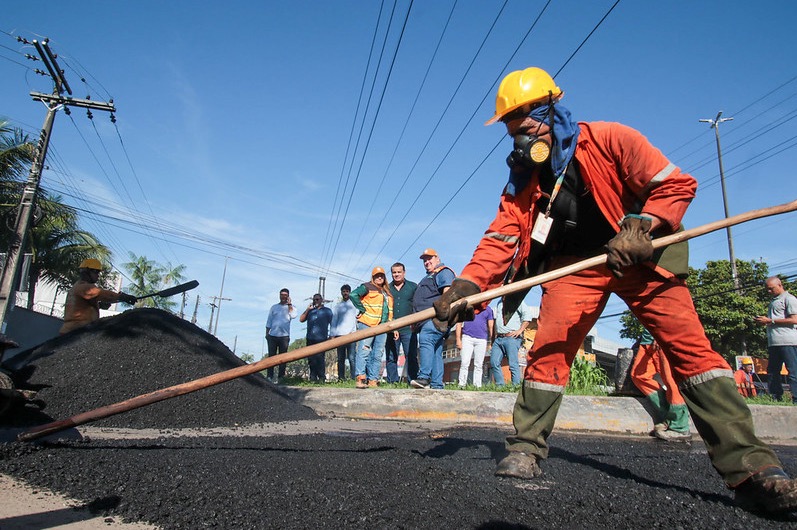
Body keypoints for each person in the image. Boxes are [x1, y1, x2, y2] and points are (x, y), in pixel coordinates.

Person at [432, 66, 797, 514]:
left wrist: (643, 224)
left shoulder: (611, 139)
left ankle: (754, 471)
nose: (521, 139)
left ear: (551, 110)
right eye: (513, 131)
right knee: (548, 352)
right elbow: (501, 238)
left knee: (692, 352)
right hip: (574, 268)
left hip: (641, 259)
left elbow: (675, 184)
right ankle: (525, 447)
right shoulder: (525, 178)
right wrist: (468, 284)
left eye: (527, 126)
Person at [631, 328, 690, 441]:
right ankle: (668, 417)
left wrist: (660, 335)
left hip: (664, 337)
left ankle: (680, 427)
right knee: (638, 375)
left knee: (670, 380)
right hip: (648, 340)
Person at [410, 248, 455, 390]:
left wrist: (442, 317)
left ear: (437, 258)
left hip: (435, 318)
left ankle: (424, 377)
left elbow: (448, 294)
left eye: (429, 258)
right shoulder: (429, 276)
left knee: (427, 338)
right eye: (424, 260)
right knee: (435, 350)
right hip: (424, 320)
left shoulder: (443, 272)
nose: (426, 262)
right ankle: (436, 384)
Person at [59, 258, 137, 335]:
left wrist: (99, 305)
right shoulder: (84, 287)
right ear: (87, 272)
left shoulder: (77, 286)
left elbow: (83, 304)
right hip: (77, 332)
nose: (98, 275)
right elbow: (103, 294)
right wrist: (121, 296)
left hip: (71, 331)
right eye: (96, 272)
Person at [350, 267, 395, 389]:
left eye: (381, 275)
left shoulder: (387, 292)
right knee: (364, 350)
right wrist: (362, 309)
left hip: (382, 326)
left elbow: (389, 310)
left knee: (378, 354)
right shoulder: (366, 286)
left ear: (384, 277)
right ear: (373, 277)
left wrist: (391, 325)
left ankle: (373, 379)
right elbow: (353, 295)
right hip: (367, 323)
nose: (379, 278)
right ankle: (360, 377)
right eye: (377, 276)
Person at [754, 276, 797, 403]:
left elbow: (794, 319)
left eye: (771, 289)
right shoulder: (773, 301)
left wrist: (770, 321)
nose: (769, 291)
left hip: (788, 342)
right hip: (774, 342)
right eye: (767, 289)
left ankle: (796, 398)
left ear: (780, 285)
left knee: (793, 371)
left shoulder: (789, 299)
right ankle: (775, 397)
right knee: (772, 372)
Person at [387, 262, 418, 383]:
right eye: (394, 272)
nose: (396, 274)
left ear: (404, 273)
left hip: (409, 329)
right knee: (391, 357)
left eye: (399, 272)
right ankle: (392, 382)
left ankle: (413, 380)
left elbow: (417, 305)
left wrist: (415, 322)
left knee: (411, 355)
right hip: (391, 328)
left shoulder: (413, 287)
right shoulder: (387, 288)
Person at [490, 297, 532, 386]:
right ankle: (500, 386)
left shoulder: (517, 300)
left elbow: (527, 316)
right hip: (499, 338)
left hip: (511, 338)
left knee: (513, 364)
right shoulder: (499, 302)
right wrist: (493, 339)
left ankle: (515, 386)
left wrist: (520, 331)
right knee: (494, 362)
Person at [456, 303, 494, 388]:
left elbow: (491, 326)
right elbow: (459, 323)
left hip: (482, 340)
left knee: (479, 364)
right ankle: (461, 384)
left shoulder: (488, 309)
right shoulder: (467, 308)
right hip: (467, 337)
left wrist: (492, 341)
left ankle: (477, 386)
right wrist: (458, 340)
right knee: (464, 362)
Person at [265, 288, 297, 383]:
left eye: (285, 295)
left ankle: (281, 377)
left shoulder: (292, 307)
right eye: (282, 295)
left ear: (288, 296)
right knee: (271, 357)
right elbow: (269, 321)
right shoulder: (274, 307)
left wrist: (289, 305)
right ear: (279, 296)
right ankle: (269, 376)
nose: (283, 297)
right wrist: (267, 334)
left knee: (283, 358)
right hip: (273, 335)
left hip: (284, 336)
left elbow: (293, 316)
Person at [300, 293, 333, 382]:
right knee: (311, 359)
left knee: (320, 358)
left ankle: (321, 378)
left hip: (321, 338)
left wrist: (332, 336)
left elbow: (332, 323)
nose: (316, 301)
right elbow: (301, 319)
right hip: (310, 338)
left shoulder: (327, 311)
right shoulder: (310, 311)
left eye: (318, 299)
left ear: (321, 300)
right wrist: (308, 309)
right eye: (314, 300)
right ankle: (312, 377)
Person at [331, 284, 358, 381]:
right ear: (341, 293)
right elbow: (334, 321)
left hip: (351, 335)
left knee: (352, 358)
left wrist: (354, 332)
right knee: (340, 358)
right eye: (344, 291)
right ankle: (341, 378)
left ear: (350, 292)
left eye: (347, 291)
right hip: (340, 335)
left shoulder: (354, 305)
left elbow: (356, 319)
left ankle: (354, 378)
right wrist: (332, 335)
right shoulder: (338, 306)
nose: (345, 293)